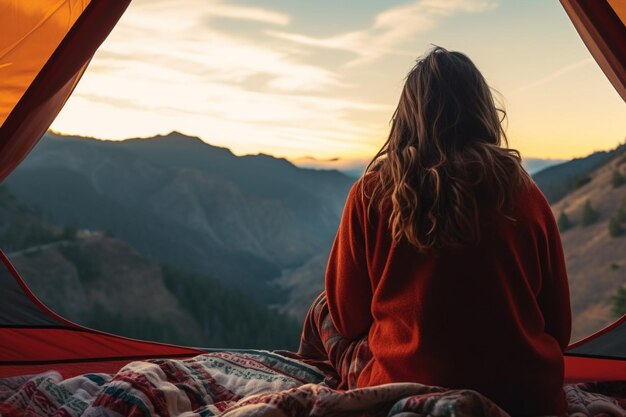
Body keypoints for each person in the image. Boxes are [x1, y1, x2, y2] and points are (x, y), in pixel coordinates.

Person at [323, 47, 571, 416]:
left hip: (399, 385)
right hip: (527, 398)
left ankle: (322, 387)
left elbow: (346, 319)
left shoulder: (373, 193)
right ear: (482, 110)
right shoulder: (523, 192)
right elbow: (559, 328)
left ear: (406, 117)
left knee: (320, 310)